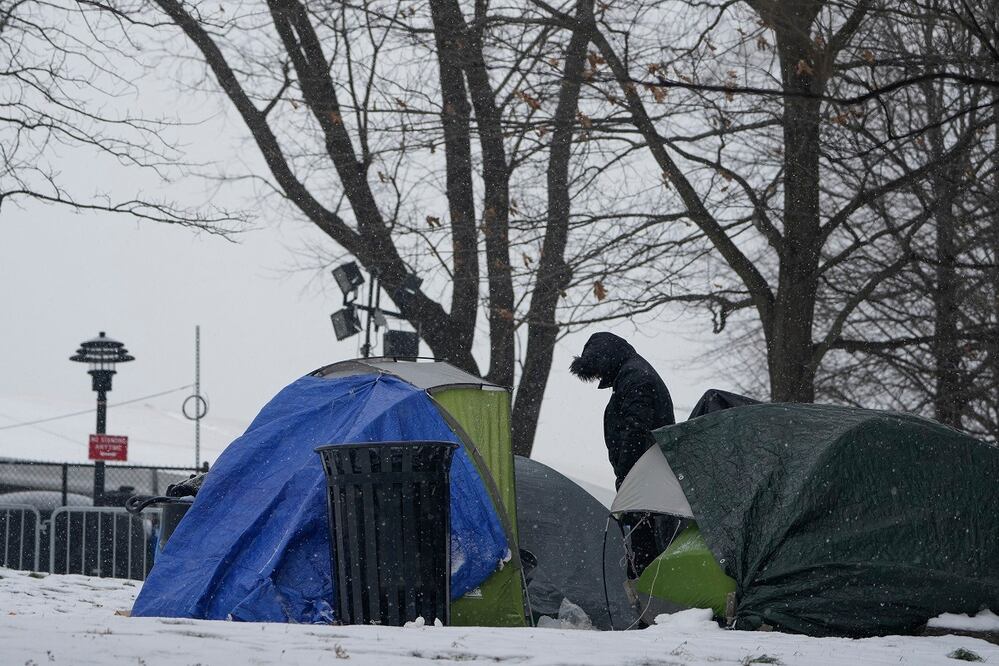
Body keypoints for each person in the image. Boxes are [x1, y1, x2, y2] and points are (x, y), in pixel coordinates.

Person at [570, 332, 678, 581]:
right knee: (643, 542)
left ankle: (648, 603)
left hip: (642, 478)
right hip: (644, 475)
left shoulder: (635, 378)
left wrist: (625, 472)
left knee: (643, 546)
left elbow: (636, 430)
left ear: (606, 360)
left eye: (597, 370)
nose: (598, 377)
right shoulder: (632, 374)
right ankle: (647, 600)